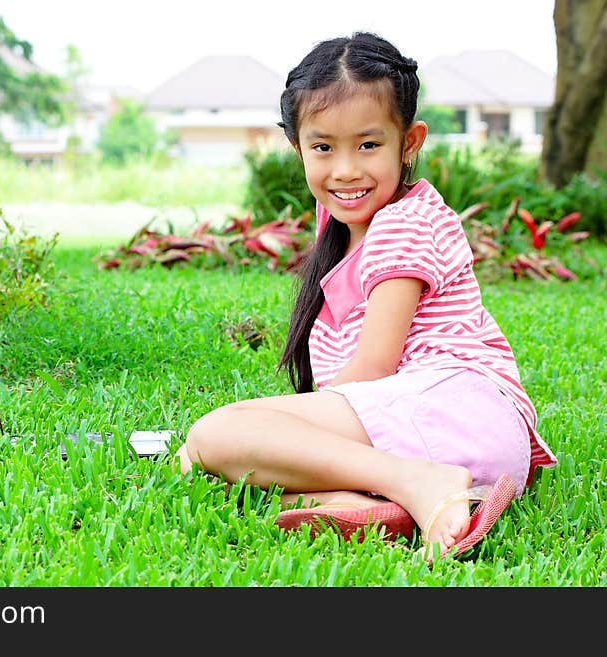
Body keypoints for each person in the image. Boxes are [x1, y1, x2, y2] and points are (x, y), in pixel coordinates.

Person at [174, 31, 556, 560]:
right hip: (460, 442)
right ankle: (364, 499)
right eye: (323, 147)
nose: (346, 169)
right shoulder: (340, 223)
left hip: (456, 415)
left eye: (369, 145)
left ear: (411, 142)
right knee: (211, 461)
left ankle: (419, 483)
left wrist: (273, 422)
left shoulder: (403, 222)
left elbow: (374, 366)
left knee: (215, 435)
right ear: (297, 147)